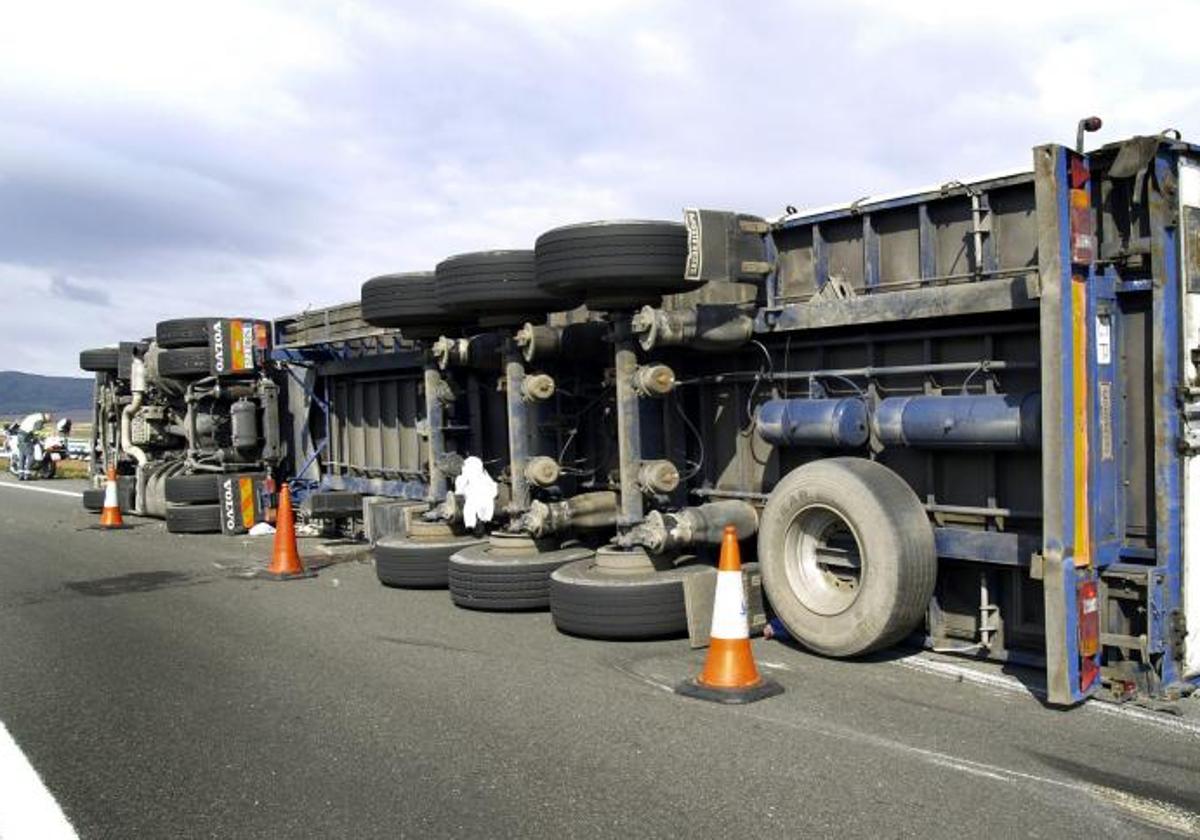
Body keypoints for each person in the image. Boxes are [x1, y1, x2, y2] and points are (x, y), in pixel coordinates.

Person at [15, 411, 50, 480]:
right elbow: (36, 431)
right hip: (26, 437)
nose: (46, 423)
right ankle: (27, 474)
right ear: (46, 418)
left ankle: (21, 474)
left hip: (20, 435)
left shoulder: (36, 416)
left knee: (22, 456)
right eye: (47, 421)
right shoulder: (40, 420)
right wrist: (44, 435)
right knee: (31, 456)